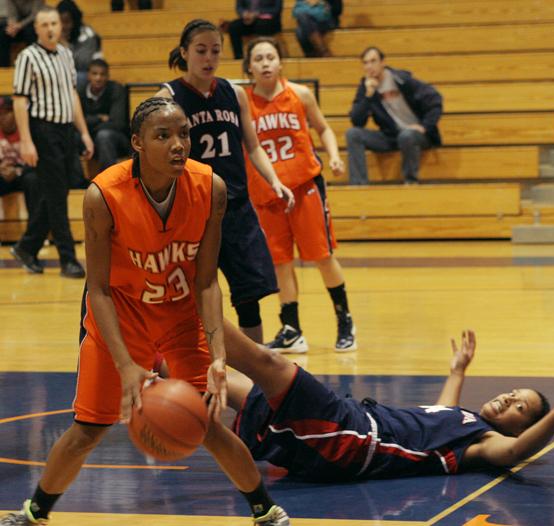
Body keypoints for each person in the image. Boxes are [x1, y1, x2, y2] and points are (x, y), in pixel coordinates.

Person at [0, 97, 290, 526]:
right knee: (88, 430)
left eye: (184, 134)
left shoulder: (211, 188)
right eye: (163, 135)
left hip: (179, 315)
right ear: (137, 142)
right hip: (121, 316)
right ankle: (35, 511)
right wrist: (125, 364)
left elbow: (207, 281)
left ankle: (265, 510)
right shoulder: (103, 195)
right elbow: (96, 289)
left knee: (206, 423)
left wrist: (218, 356)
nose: (178, 144)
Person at [221, 323, 554, 481]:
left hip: (353, 435)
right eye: (513, 393)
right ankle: (160, 359)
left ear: (520, 426)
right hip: (347, 422)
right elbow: (438, 414)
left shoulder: (485, 445)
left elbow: (517, 451)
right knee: (229, 385)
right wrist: (457, 371)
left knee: (267, 362)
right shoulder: (464, 422)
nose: (508, 398)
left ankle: (187, 300)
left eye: (518, 406)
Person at [156, 19, 295, 344]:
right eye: (201, 51)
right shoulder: (168, 96)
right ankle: (189, 367)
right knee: (186, 298)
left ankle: (258, 375)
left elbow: (254, 146)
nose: (209, 58)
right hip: (190, 211)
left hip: (235, 209)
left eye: (215, 51)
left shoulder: (234, 94)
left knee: (248, 297)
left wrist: (274, 181)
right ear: (184, 52)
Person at [243, 37, 355, 353]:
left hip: (305, 188)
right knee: (280, 263)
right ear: (249, 67)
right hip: (267, 194)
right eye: (258, 58)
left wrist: (333, 155)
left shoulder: (300, 94)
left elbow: (324, 128)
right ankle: (291, 329)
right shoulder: (243, 102)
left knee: (322, 255)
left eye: (270, 57)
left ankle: (344, 320)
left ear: (280, 63)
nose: (265, 63)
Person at [10, 6, 93, 278]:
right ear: (36, 28)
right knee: (57, 197)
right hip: (42, 130)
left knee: (57, 191)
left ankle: (27, 246)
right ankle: (68, 259)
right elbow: (20, 100)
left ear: (60, 25)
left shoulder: (66, 55)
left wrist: (83, 132)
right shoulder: (27, 57)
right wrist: (26, 141)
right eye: (44, 24)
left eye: (54, 23)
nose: (50, 28)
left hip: (66, 130)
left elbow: (72, 95)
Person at [346, 46, 443, 185]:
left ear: (383, 62)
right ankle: (358, 186)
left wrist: (425, 126)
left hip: (416, 135)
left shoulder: (401, 79)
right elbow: (357, 121)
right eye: (365, 63)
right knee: (353, 134)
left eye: (373, 61)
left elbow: (435, 99)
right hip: (391, 136)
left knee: (407, 136)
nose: (369, 66)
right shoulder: (366, 87)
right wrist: (368, 95)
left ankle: (410, 182)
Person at [78, 58, 129, 171]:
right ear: (88, 76)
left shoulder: (117, 89)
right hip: (87, 138)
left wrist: (89, 126)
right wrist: (99, 118)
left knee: (103, 136)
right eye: (94, 74)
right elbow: (76, 122)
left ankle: (108, 181)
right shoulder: (79, 92)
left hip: (116, 140)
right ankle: (77, 183)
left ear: (108, 76)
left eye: (102, 74)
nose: (98, 78)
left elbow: (118, 123)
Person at [0, 95, 39, 222]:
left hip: (24, 174)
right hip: (4, 176)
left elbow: (37, 162)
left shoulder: (29, 130)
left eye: (7, 112)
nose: (3, 117)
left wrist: (17, 172)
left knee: (33, 180)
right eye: (0, 113)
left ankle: (36, 229)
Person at [57, 0, 103, 88]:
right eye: (60, 22)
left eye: (66, 22)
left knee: (79, 77)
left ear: (74, 20)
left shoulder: (88, 34)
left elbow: (83, 64)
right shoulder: (54, 33)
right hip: (62, 72)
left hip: (84, 74)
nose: (63, 26)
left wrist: (66, 46)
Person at [0, 0, 42, 68]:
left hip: (33, 21)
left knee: (30, 32)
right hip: (19, 24)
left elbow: (35, 15)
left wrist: (20, 25)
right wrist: (12, 26)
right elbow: (12, 14)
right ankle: (3, 68)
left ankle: (34, 65)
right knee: (3, 32)